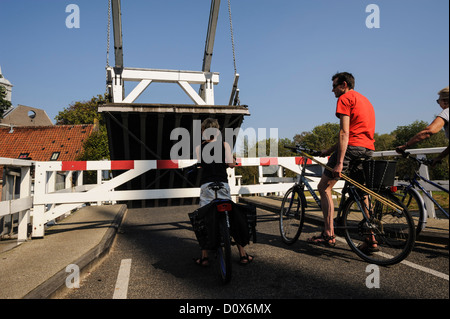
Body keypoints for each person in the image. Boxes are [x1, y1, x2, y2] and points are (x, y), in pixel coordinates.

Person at [308, 72, 376, 250]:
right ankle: (371, 237)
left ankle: (328, 234)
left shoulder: (345, 99)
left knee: (324, 187)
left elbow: (345, 133)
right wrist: (329, 150)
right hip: (367, 149)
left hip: (351, 149)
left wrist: (338, 162)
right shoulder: (364, 100)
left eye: (334, 86)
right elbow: (355, 132)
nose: (332, 91)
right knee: (362, 192)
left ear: (344, 85)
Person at [193, 118, 253, 266]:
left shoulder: (199, 148)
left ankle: (204, 257)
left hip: (207, 186)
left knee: (203, 219)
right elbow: (230, 163)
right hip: (222, 185)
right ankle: (243, 254)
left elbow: (200, 165)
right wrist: (232, 163)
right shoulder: (224, 145)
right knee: (231, 217)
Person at [396, 86, 449, 166]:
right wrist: (439, 157)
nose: (439, 104)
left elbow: (429, 131)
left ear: (445, 101)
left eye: (438, 101)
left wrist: (405, 146)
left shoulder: (447, 112)